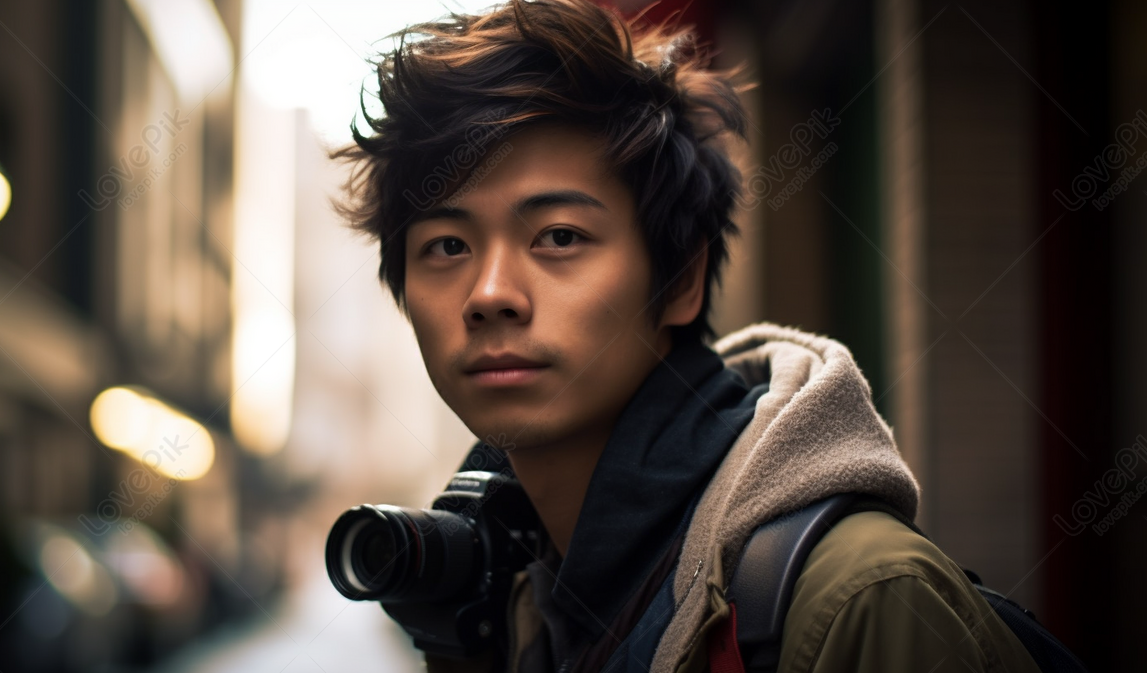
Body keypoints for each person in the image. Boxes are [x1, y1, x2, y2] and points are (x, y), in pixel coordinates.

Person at [334, 1, 1043, 671]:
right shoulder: (520, 602)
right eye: (447, 246)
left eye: (558, 236)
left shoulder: (857, 599)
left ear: (680, 279)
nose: (490, 294)